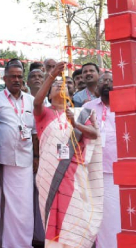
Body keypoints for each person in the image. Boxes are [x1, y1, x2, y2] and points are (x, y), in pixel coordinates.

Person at [33, 62, 103, 247]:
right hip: (49, 176)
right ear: (49, 93)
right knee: (53, 221)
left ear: (71, 93)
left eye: (62, 84)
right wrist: (52, 75)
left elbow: (95, 133)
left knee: (75, 218)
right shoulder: (44, 113)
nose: (59, 85)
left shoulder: (82, 113)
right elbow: (36, 102)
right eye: (55, 86)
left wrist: (76, 124)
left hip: (74, 175)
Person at [0, 61, 37, 248]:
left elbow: (34, 132)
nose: (16, 80)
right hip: (5, 160)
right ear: (5, 78)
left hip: (26, 160)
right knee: (4, 205)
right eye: (13, 76)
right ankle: (2, 243)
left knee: (24, 206)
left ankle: (24, 243)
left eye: (19, 76)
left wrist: (36, 157)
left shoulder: (31, 100)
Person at [84, 81, 117, 248]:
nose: (107, 84)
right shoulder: (88, 107)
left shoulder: (124, 106)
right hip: (93, 168)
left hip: (117, 171)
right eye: (103, 81)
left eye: (110, 81)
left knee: (113, 215)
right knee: (95, 214)